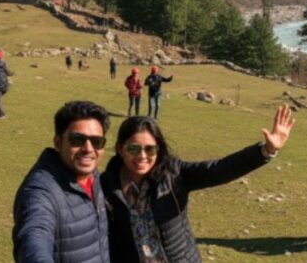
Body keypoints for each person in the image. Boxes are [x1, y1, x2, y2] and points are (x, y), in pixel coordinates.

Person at [100, 105, 295, 262]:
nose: (142, 156)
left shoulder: (173, 174)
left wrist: (266, 151)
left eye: (150, 149)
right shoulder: (105, 186)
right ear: (120, 148)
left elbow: (218, 169)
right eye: (133, 149)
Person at [13, 100, 111, 262]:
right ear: (58, 143)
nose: (88, 149)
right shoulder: (41, 191)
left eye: (97, 142)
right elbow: (33, 238)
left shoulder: (95, 177)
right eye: (77, 140)